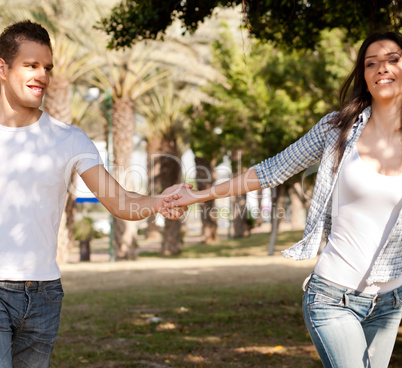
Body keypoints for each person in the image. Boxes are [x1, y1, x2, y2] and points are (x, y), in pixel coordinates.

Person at [167, 31, 402, 368]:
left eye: (393, 59)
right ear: (363, 77)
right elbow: (272, 170)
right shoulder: (337, 129)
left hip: (390, 300)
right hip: (334, 297)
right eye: (371, 63)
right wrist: (199, 193)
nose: (382, 68)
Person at [0, 20, 189, 368]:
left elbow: (119, 202)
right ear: (3, 67)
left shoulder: (68, 138)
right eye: (31, 65)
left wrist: (159, 201)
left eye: (47, 67)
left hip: (44, 294)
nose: (41, 75)